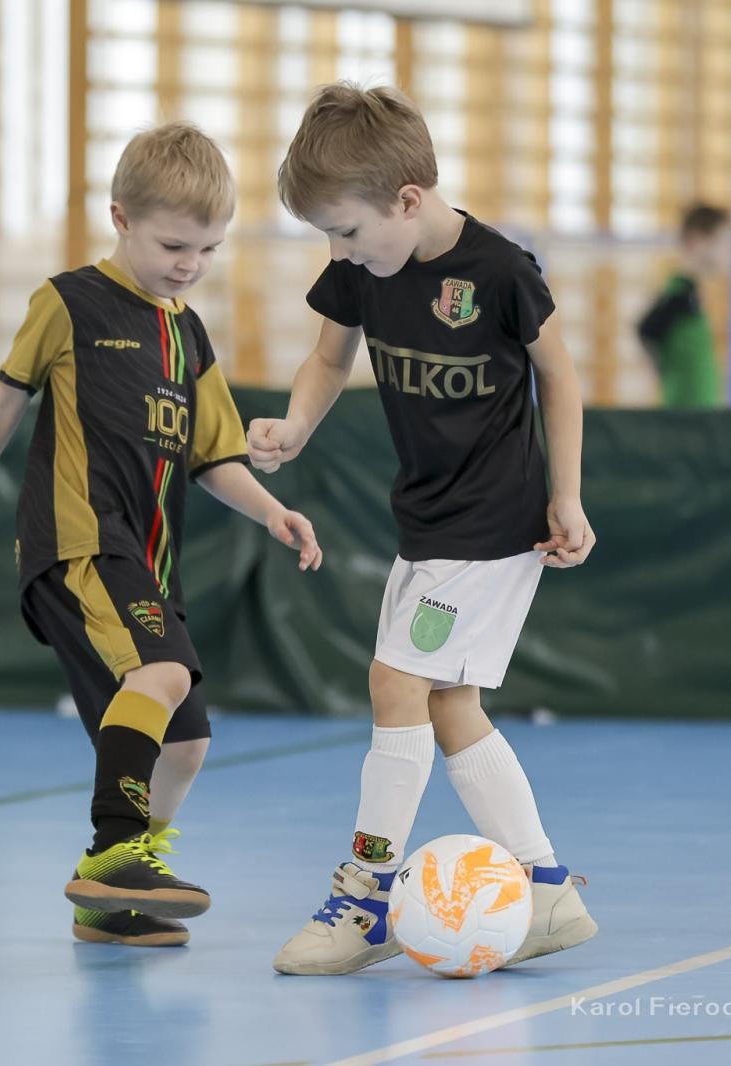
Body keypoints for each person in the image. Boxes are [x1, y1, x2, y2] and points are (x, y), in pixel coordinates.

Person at [0, 122, 322, 947]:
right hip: (79, 542)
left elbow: (212, 455)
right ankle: (118, 851)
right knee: (160, 675)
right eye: (174, 244)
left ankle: (108, 899)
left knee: (185, 742)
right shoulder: (69, 301)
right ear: (120, 217)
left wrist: (272, 510)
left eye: (208, 250)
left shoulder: (186, 334)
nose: (190, 265)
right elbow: (3, 401)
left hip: (145, 562)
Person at [248, 83, 597, 975]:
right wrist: (293, 426)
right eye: (327, 236)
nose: (340, 252)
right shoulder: (365, 269)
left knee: (395, 681)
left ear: (407, 199)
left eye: (348, 232)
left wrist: (569, 495)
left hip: (496, 523)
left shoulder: (500, 272)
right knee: (449, 705)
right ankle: (547, 890)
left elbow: (558, 377)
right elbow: (328, 359)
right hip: (428, 520)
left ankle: (366, 899)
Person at [636, 204, 731, 409]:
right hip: (686, 416)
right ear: (696, 241)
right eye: (722, 242)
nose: (727, 252)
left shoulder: (692, 295)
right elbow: (646, 330)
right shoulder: (679, 295)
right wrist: (662, 374)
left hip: (702, 412)